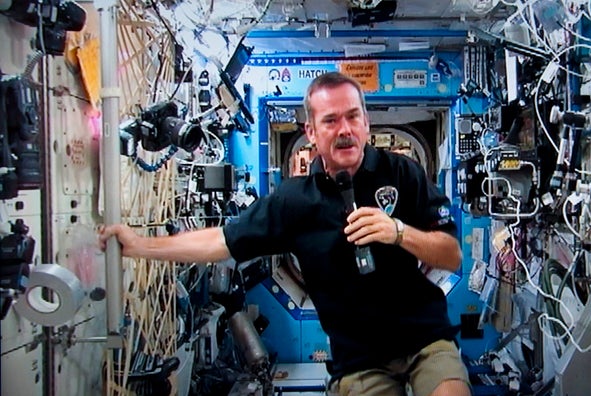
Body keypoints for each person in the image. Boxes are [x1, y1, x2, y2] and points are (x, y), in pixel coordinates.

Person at [100, 71, 471, 396]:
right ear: (310, 132)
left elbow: (451, 255)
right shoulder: (294, 201)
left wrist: (398, 231)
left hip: (424, 338)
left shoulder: (403, 173)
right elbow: (220, 241)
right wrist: (139, 246)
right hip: (359, 358)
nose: (345, 130)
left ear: (366, 122)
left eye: (353, 117)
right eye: (330, 121)